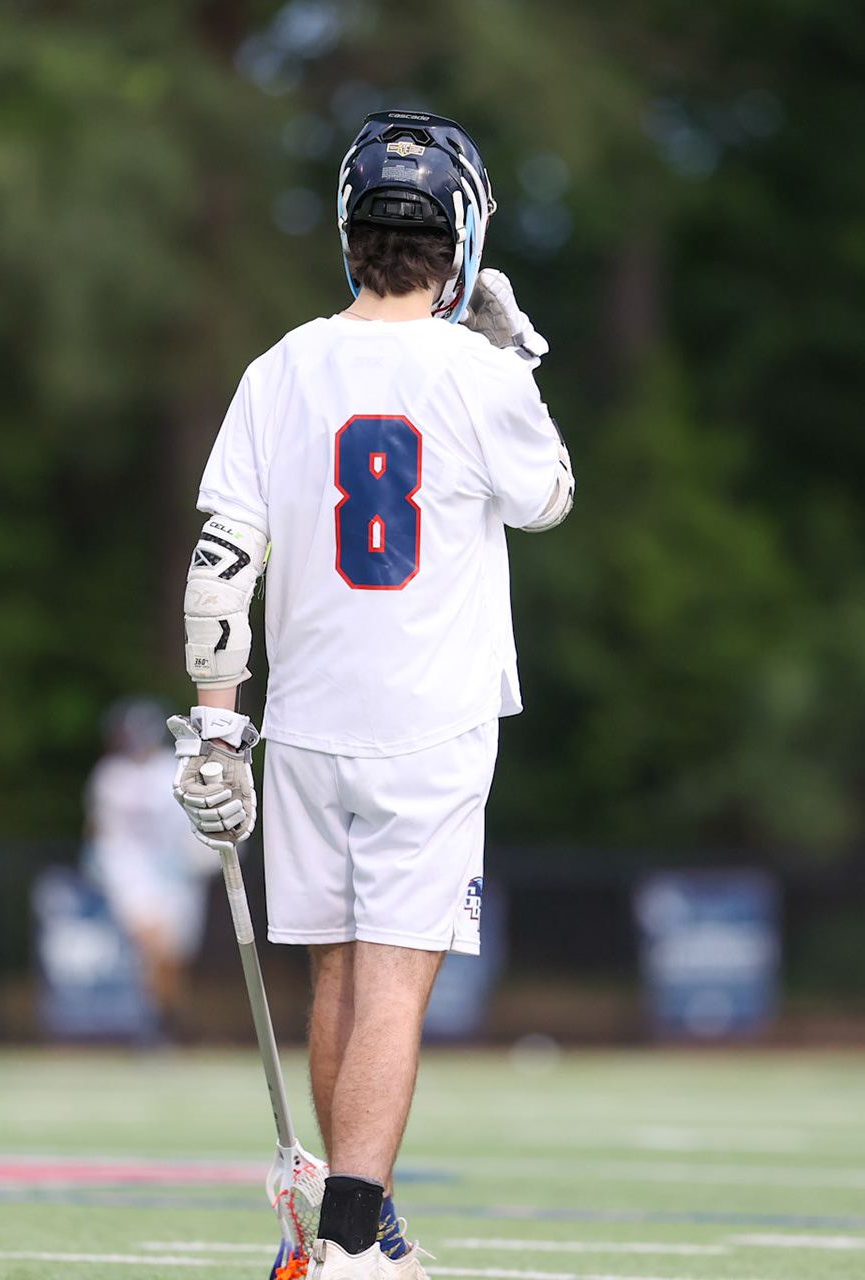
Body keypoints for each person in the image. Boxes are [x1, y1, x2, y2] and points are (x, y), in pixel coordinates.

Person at [168, 111, 573, 1280]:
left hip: (301, 719)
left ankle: (367, 1218)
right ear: (460, 236)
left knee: (339, 976)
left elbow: (218, 570)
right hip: (429, 723)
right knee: (394, 976)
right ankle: (347, 1240)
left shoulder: (278, 366)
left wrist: (212, 725)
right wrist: (518, 357)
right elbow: (547, 495)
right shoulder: (474, 370)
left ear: (351, 235)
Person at [81, 696, 219, 1037]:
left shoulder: (172, 768)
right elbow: (101, 830)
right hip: (132, 872)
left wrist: (199, 854)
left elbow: (193, 822)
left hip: (178, 874)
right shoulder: (111, 776)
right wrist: (99, 860)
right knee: (151, 943)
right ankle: (151, 1028)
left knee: (172, 958)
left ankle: (167, 1024)